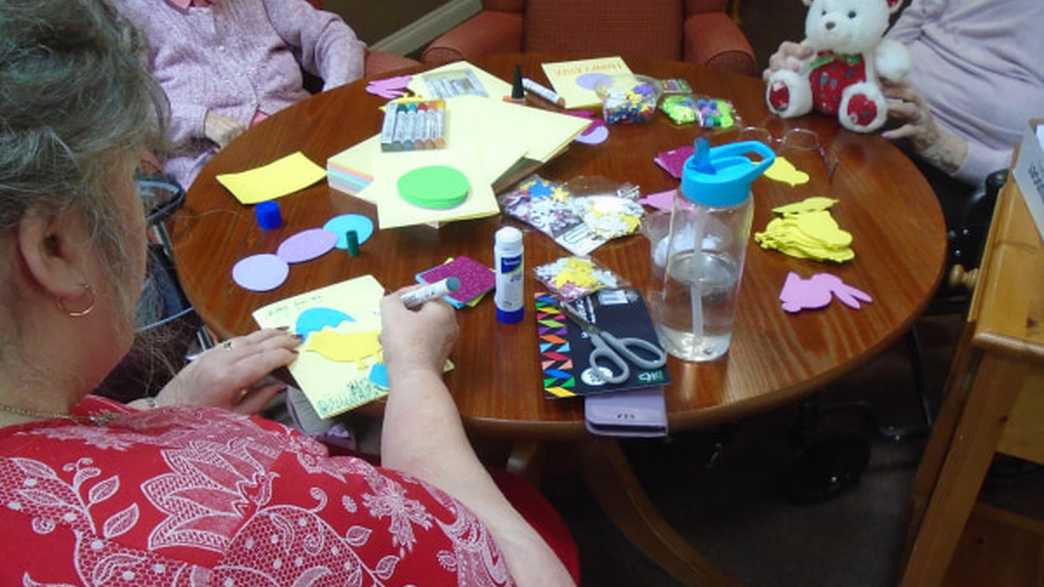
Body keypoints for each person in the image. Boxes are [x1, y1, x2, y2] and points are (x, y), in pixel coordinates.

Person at [0, 2, 573, 585]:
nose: (147, 216)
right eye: (137, 187)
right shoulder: (256, 518)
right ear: (54, 247)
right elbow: (533, 578)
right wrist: (415, 372)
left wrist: (161, 410)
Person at [765, 0, 1044, 191]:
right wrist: (823, 60)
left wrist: (946, 149)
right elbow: (911, 25)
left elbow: (1036, 177)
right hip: (882, 114)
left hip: (966, 177)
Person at [112, 0, 367, 189]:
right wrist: (202, 121)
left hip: (304, 133)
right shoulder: (126, 13)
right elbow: (127, 106)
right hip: (213, 162)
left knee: (370, 191)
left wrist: (334, 99)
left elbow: (331, 35)